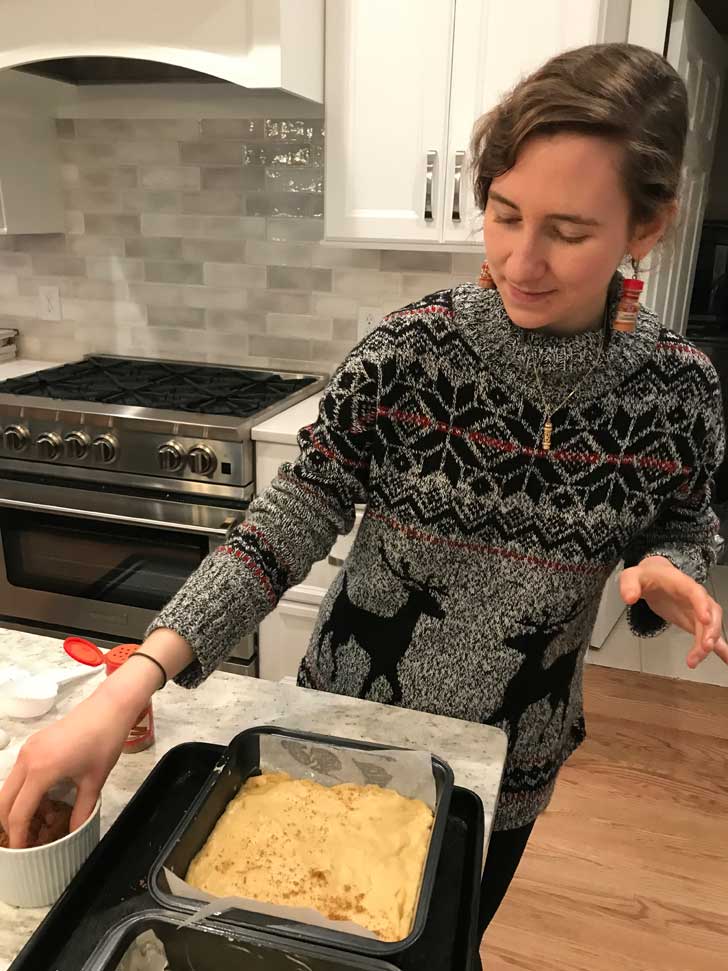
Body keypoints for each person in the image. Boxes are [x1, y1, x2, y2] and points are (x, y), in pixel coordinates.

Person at [1, 43, 726, 957]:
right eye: (503, 215)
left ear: (646, 229)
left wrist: (672, 569)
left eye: (569, 231)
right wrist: (131, 680)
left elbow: (682, 520)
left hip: (511, 756)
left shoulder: (676, 390)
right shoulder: (411, 353)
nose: (520, 260)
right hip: (345, 719)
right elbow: (291, 514)